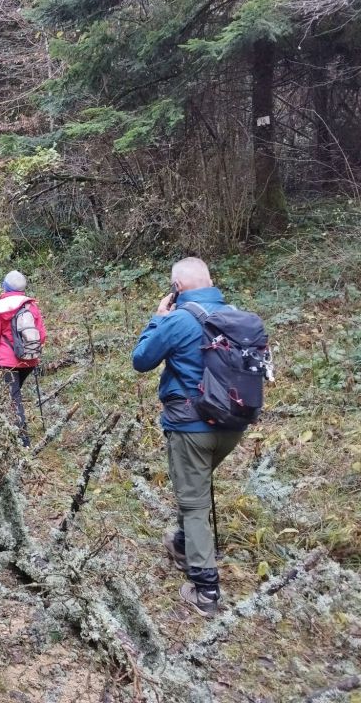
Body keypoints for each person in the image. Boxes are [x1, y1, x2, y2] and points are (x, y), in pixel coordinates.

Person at [132, 257, 245, 618]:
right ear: (210, 280)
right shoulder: (237, 316)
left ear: (176, 288)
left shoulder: (178, 320)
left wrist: (158, 318)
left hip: (191, 426)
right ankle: (182, 543)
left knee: (194, 504)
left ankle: (205, 589)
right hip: (233, 425)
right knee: (193, 485)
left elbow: (141, 359)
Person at [0, 271, 45, 447]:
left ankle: (22, 441)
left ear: (5, 286)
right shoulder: (31, 306)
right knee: (14, 394)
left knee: (13, 398)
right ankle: (12, 428)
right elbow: (42, 336)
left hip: (8, 362)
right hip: (30, 359)